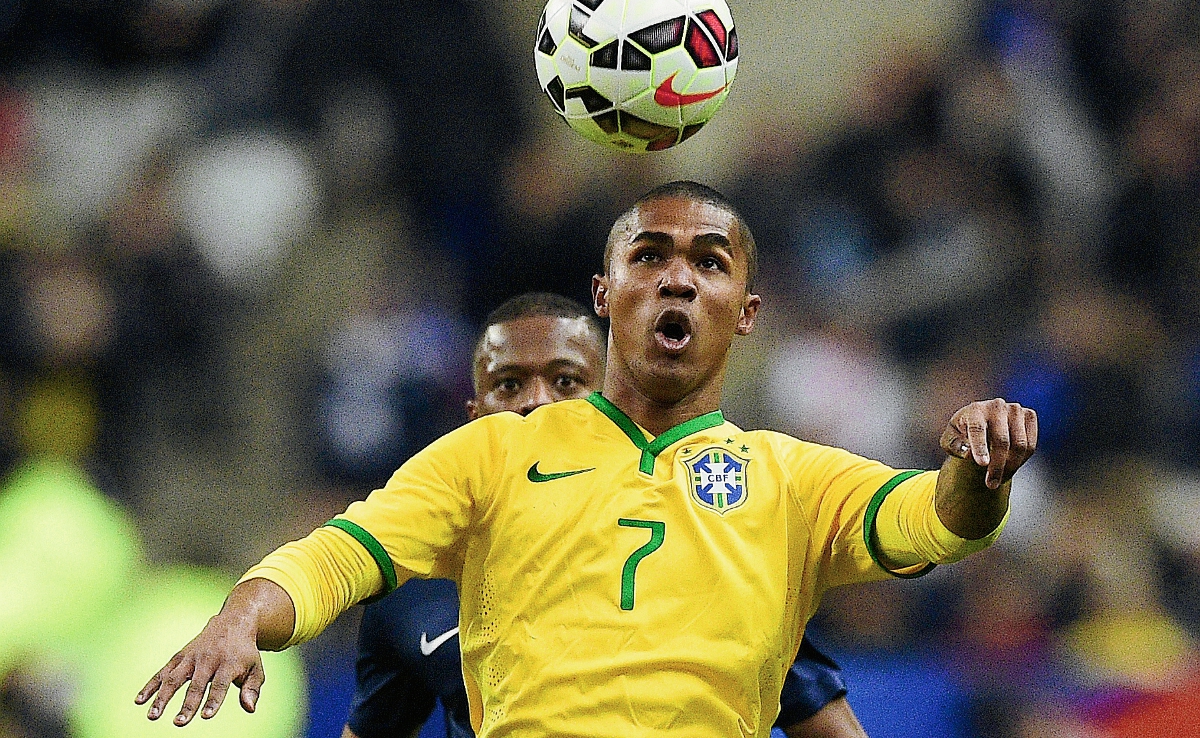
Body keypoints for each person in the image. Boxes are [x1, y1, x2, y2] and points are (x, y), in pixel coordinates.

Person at [136, 181, 1037, 738]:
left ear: (748, 311)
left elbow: (933, 520)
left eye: (708, 262)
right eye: (650, 256)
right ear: (606, 295)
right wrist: (245, 612)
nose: (677, 278)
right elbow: (342, 552)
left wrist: (977, 470)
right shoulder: (494, 453)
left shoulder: (792, 480)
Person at [342, 292, 867, 738]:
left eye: (567, 383)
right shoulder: (411, 587)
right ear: (474, 415)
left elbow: (827, 724)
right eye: (509, 386)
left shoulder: (704, 557)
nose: (537, 405)